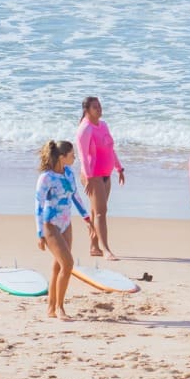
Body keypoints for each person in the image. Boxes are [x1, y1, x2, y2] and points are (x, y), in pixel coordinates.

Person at [34, 139, 97, 320]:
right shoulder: (46, 178)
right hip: (50, 224)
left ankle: (51, 309)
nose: (75, 157)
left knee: (58, 267)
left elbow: (76, 196)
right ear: (62, 157)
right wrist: (40, 233)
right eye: (71, 155)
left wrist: (87, 219)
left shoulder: (69, 172)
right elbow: (37, 205)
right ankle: (60, 308)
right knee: (68, 264)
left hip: (66, 223)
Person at [74, 96, 125, 259]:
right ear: (87, 110)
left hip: (106, 174)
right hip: (92, 175)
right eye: (95, 107)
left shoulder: (103, 125)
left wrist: (119, 168)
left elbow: (110, 149)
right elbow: (82, 155)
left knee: (97, 211)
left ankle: (94, 247)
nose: (99, 109)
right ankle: (106, 250)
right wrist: (88, 177)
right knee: (101, 213)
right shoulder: (85, 129)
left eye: (100, 106)